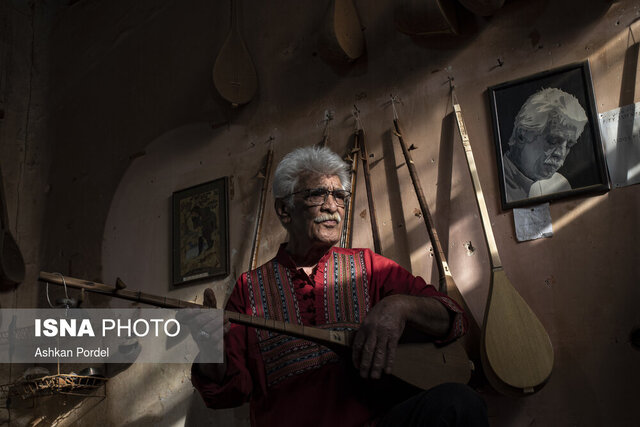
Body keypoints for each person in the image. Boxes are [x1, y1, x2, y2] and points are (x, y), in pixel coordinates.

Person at [181, 146, 488, 426]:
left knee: (458, 404)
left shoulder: (368, 267)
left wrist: (399, 306)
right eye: (317, 195)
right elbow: (229, 393)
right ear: (285, 211)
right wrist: (210, 347)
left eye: (339, 196)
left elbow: (451, 319)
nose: (333, 207)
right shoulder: (249, 288)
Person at [503, 87, 588, 203]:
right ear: (521, 135)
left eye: (569, 145)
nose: (561, 154)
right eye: (553, 141)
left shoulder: (560, 186)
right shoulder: (493, 185)